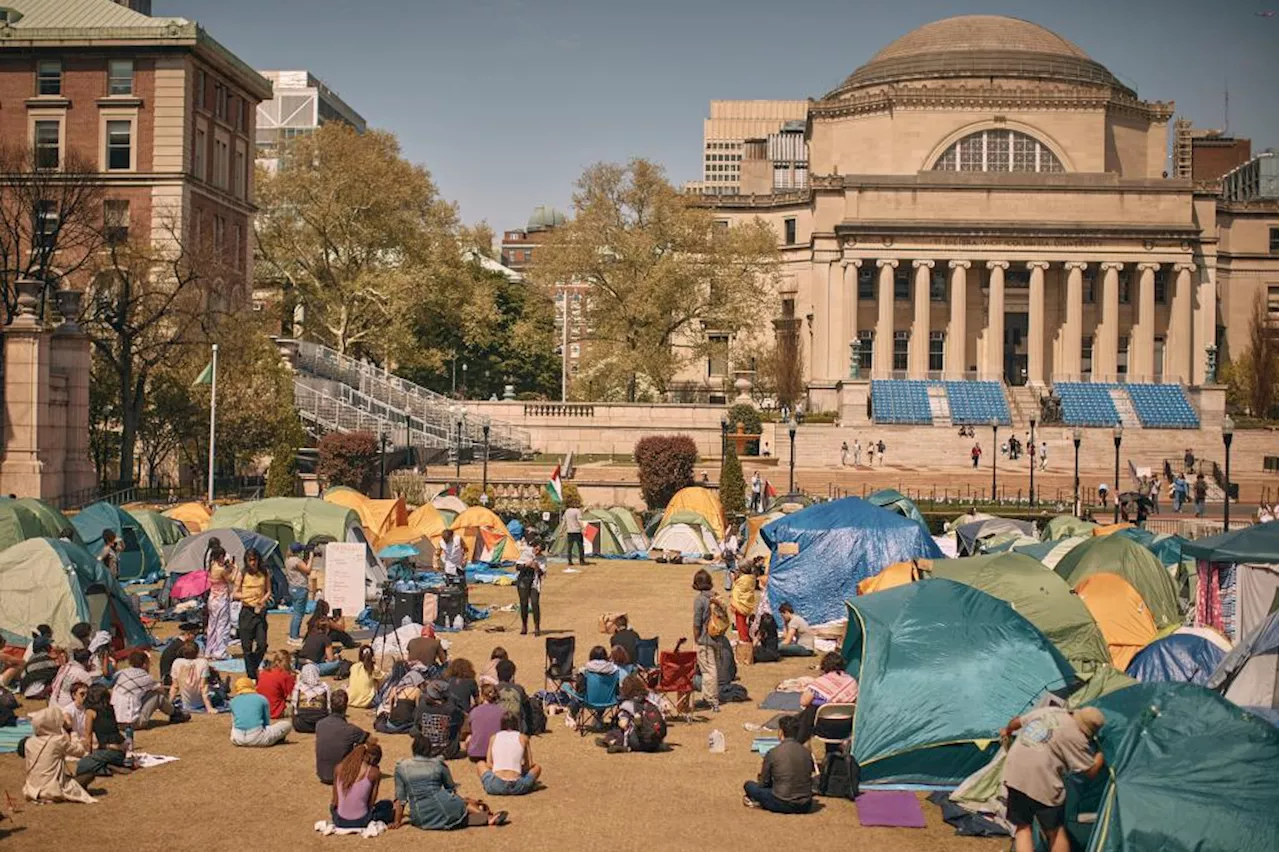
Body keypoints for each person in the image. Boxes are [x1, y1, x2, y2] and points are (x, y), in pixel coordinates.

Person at [999, 707, 1106, 852]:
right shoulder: (1078, 738)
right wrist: (1101, 753)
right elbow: (1090, 772)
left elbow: (1017, 721)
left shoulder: (1050, 711)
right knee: (1055, 832)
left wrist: (1008, 730)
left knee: (1023, 828)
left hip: (1015, 774)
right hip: (1044, 783)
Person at [392, 733, 508, 830]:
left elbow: (401, 799)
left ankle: (481, 813)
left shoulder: (402, 767)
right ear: (430, 750)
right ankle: (487, 817)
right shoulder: (438, 764)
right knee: (462, 804)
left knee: (460, 807)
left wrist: (397, 822)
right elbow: (450, 790)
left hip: (420, 818)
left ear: (413, 749)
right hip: (444, 805)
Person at [23, 706, 95, 805]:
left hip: (32, 789)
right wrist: (72, 732)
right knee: (89, 774)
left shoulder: (29, 742)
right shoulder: (57, 741)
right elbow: (81, 752)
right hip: (51, 790)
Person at [742, 714, 813, 813]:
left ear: (781, 732)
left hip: (783, 802)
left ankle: (759, 802)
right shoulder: (807, 752)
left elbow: (764, 783)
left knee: (749, 785)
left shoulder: (774, 752)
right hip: (806, 804)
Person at [110, 649, 187, 729]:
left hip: (114, 721)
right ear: (144, 664)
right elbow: (162, 691)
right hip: (132, 723)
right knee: (158, 696)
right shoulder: (145, 678)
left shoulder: (122, 673)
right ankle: (176, 714)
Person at [797, 651, 858, 744]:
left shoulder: (821, 682)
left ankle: (797, 743)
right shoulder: (852, 682)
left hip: (823, 728)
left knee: (810, 710)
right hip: (845, 729)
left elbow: (803, 701)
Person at [331, 742, 395, 829]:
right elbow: (370, 803)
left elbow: (335, 800)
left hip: (339, 820)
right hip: (362, 821)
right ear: (371, 758)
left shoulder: (338, 768)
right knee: (387, 805)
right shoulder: (373, 773)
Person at [478, 711, 541, 795]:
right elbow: (529, 764)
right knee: (537, 767)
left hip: (496, 784)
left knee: (480, 764)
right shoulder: (523, 738)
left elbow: (489, 763)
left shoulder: (494, 737)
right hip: (517, 785)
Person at [316, 689, 370, 784]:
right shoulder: (351, 730)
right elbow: (371, 741)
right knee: (362, 748)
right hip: (342, 776)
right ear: (345, 707)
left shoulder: (319, 724)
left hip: (322, 774)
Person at [233, 548, 272, 680]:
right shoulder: (242, 574)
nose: (253, 563)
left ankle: (254, 665)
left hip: (259, 611)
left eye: (254, 560)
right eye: (250, 560)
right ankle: (251, 675)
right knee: (246, 646)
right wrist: (247, 595)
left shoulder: (264, 573)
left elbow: (268, 590)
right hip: (247, 611)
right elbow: (235, 593)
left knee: (262, 644)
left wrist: (262, 600)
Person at [77, 684, 129, 782]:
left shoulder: (90, 712)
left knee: (82, 766)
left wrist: (88, 754)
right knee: (96, 759)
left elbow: (88, 736)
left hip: (108, 749)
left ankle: (107, 769)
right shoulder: (110, 708)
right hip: (121, 750)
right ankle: (109, 766)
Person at [692, 568, 725, 712]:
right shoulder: (716, 597)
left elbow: (696, 623)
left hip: (705, 639)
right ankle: (707, 697)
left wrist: (696, 639)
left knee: (708, 671)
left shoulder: (700, 600)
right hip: (716, 637)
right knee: (711, 669)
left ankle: (711, 699)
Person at [229, 677, 292, 747]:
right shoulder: (261, 699)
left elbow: (234, 722)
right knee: (287, 724)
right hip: (257, 738)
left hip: (237, 738)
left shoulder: (233, 701)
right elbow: (266, 722)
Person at [414, 679, 465, 759]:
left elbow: (416, 724)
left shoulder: (422, 705)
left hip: (426, 748)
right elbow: (460, 721)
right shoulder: (451, 709)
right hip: (447, 750)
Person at [461, 683, 506, 762]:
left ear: (482, 696)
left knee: (469, 737)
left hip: (476, 753)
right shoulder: (502, 712)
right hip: (497, 753)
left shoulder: (474, 711)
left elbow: (468, 731)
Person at [205, 545, 235, 660]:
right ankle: (220, 652)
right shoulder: (221, 570)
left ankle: (209, 650)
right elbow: (231, 579)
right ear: (221, 556)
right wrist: (233, 568)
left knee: (212, 625)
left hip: (212, 598)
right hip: (221, 600)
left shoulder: (212, 566)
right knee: (223, 626)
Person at [283, 542, 313, 647]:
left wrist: (306, 556)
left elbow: (302, 567)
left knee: (296, 613)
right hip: (300, 589)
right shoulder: (296, 561)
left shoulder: (288, 560)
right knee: (298, 615)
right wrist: (312, 556)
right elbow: (308, 570)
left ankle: (293, 635)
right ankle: (294, 637)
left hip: (293, 588)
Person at [514, 537, 546, 636]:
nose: (537, 552)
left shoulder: (542, 558)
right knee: (523, 604)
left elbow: (542, 573)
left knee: (535, 603)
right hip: (523, 580)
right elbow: (517, 567)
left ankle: (537, 627)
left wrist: (537, 567)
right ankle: (524, 626)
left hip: (534, 583)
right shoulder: (526, 552)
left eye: (540, 551)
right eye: (536, 549)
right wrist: (526, 565)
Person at [494, 659, 534, 735]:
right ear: (512, 676)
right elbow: (527, 708)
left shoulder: (494, 689)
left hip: (498, 728)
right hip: (518, 729)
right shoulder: (519, 689)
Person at [298, 613, 343, 677]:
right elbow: (331, 659)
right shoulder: (326, 638)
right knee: (338, 663)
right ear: (327, 628)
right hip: (313, 667)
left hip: (301, 664)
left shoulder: (310, 635)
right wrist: (336, 657)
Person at [292, 662, 332, 734]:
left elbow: (294, 707)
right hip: (321, 724)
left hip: (301, 725)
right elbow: (329, 708)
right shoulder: (325, 687)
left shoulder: (299, 687)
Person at [255, 650, 295, 718]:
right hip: (276, 711)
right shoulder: (285, 676)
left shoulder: (264, 673)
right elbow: (292, 694)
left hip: (261, 710)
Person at [159, 622, 200, 686]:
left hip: (167, 676)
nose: (196, 638)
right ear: (188, 634)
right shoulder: (183, 647)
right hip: (171, 679)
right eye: (195, 635)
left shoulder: (177, 643)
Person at [730, 562, 758, 647]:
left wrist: (733, 580)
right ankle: (745, 637)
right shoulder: (752, 578)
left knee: (740, 623)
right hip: (747, 602)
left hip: (740, 604)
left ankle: (743, 639)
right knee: (743, 622)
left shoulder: (743, 580)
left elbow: (737, 588)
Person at [720, 523, 740, 593]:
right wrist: (736, 555)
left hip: (726, 556)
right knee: (734, 571)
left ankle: (727, 586)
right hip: (731, 556)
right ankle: (735, 585)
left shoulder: (726, 537)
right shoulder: (733, 537)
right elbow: (734, 548)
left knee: (728, 571)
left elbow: (721, 546)